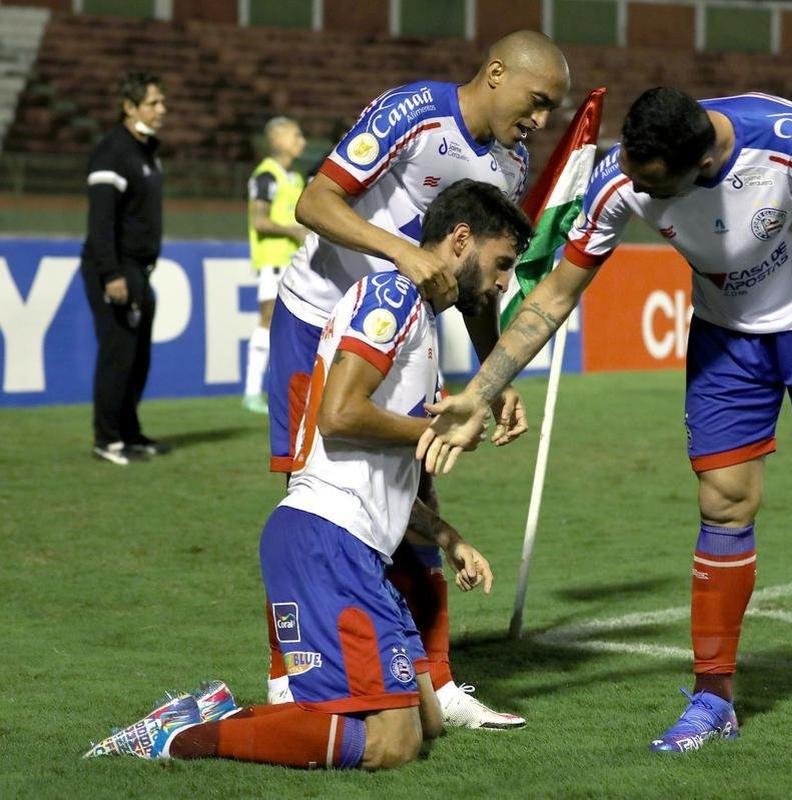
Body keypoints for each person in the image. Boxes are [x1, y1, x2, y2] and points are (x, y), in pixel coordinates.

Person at [417, 87, 792, 765]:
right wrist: (484, 387)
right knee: (723, 502)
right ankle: (713, 697)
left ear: (702, 162)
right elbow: (556, 292)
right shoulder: (623, 174)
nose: (638, 192)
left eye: (654, 185)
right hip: (726, 335)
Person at [85, 179, 530, 770]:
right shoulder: (391, 295)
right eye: (501, 265)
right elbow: (340, 415)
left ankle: (224, 715)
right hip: (326, 540)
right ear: (460, 239)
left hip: (353, 547)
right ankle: (187, 735)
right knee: (394, 745)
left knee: (427, 720)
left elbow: (374, 473)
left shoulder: (419, 324)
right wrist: (435, 432)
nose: (503, 283)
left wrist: (448, 537)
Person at [262, 29, 570, 729]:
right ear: (496, 73)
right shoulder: (412, 114)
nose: (542, 120)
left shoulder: (513, 167)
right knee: (310, 496)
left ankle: (438, 680)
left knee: (416, 481)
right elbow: (315, 203)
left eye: (554, 108)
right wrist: (400, 252)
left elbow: (479, 287)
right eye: (539, 100)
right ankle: (288, 678)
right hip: (318, 319)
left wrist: (494, 378)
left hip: (406, 325)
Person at [81, 70, 168, 465]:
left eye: (161, 102)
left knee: (137, 356)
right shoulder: (113, 151)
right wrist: (111, 273)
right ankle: (107, 438)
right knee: (118, 352)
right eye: (153, 103)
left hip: (140, 269)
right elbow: (100, 221)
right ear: (129, 107)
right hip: (118, 267)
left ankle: (130, 432)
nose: (161, 109)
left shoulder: (145, 151)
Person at [242, 116, 309, 414]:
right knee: (267, 320)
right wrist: (293, 230)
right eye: (296, 135)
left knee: (295, 326)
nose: (302, 141)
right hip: (273, 261)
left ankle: (288, 388)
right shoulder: (266, 176)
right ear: (277, 139)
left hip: (295, 261)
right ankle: (251, 391)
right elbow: (259, 220)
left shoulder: (294, 179)